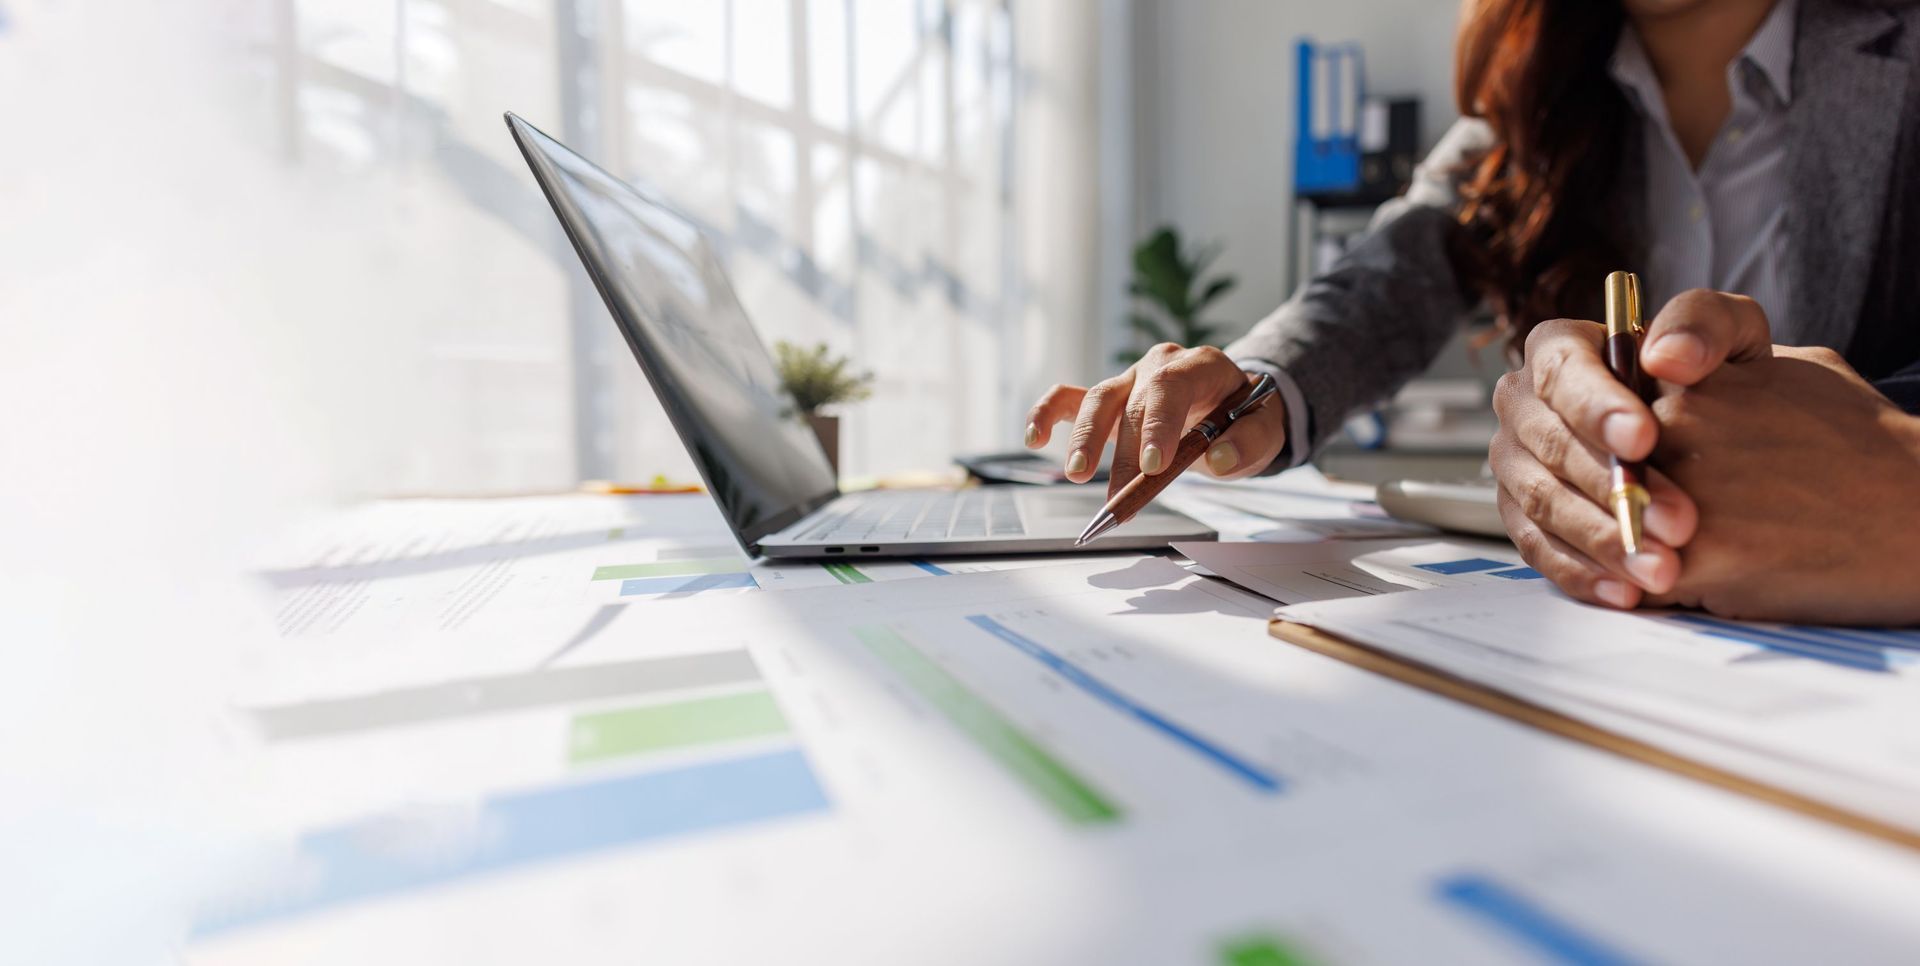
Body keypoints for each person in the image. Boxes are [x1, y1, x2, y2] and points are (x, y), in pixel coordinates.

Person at [1024, 0, 1920, 624]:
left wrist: (1885, 461)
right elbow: (1384, 280)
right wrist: (1256, 386)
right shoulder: (1529, 106)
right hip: (1608, 615)